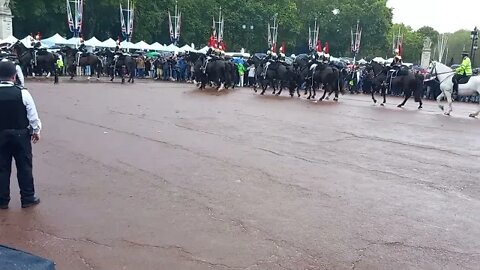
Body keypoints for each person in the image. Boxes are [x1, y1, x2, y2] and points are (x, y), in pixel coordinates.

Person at [0, 60, 41, 209]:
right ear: (14, 76)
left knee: (2, 168)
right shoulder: (23, 93)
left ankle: (2, 200)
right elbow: (33, 116)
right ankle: (28, 197)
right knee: (24, 166)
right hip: (20, 135)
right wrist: (36, 131)